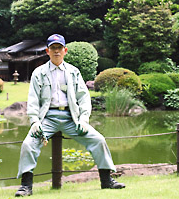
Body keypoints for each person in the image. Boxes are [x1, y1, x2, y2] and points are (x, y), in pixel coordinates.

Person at [15, 34, 125, 197]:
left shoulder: (73, 72)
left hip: (71, 118)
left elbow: (84, 97)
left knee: (98, 140)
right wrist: (34, 121)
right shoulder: (39, 73)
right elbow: (33, 99)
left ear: (65, 50)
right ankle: (26, 186)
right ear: (47, 51)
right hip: (47, 118)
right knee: (28, 144)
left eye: (59, 48)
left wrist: (83, 119)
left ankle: (107, 180)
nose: (56, 51)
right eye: (53, 48)